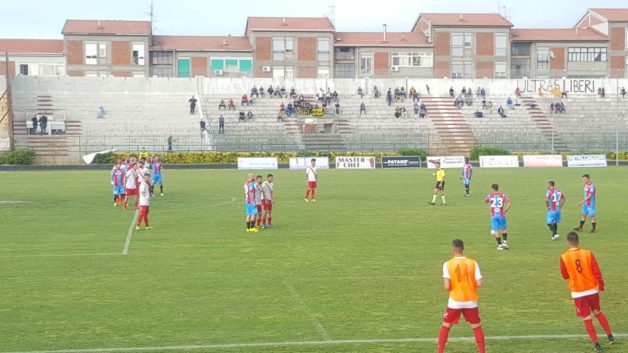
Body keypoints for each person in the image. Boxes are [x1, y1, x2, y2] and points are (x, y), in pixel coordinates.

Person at [560, 232, 615, 352]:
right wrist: (600, 285)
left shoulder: (564, 257)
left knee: (587, 318)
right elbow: (597, 271)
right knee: (597, 311)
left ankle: (597, 345)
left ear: (568, 242)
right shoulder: (588, 253)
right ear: (578, 241)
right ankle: (610, 336)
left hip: (578, 292)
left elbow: (564, 275)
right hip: (592, 289)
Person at [438, 239, 486, 353]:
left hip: (455, 300)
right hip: (470, 300)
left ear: (452, 249)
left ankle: (440, 351)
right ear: (463, 249)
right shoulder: (473, 262)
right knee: (476, 326)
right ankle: (482, 351)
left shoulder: (448, 264)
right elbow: (480, 283)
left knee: (446, 325)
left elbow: (446, 286)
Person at [484, 184, 511, 250]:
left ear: (492, 189)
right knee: (503, 229)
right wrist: (506, 210)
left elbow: (485, 201)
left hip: (493, 215)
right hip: (501, 215)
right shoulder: (503, 195)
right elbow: (509, 203)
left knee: (496, 230)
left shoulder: (490, 196)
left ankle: (500, 245)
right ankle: (504, 243)